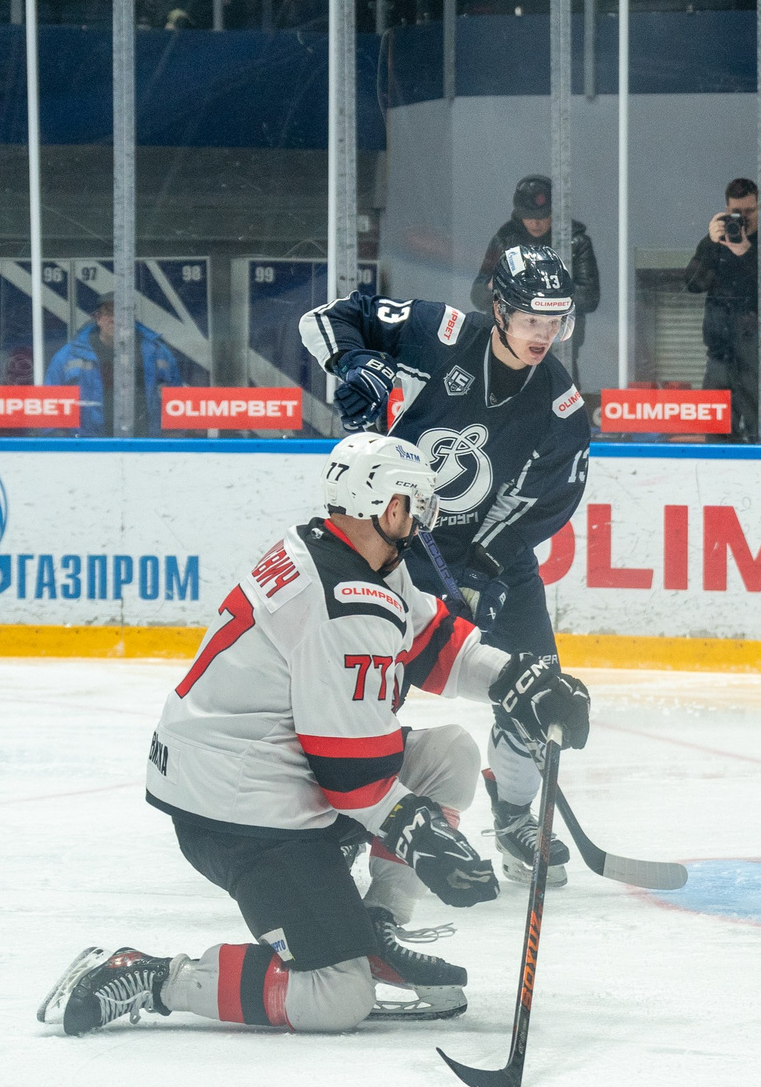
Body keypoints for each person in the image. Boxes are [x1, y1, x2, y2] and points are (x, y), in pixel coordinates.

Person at [37, 434, 592, 1036]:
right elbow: (350, 777)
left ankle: (374, 932)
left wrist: (512, 679)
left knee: (449, 754)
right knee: (335, 997)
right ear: (375, 502)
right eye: (412, 501)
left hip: (273, 774)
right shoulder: (342, 601)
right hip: (239, 815)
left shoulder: (353, 556)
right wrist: (418, 834)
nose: (423, 516)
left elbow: (430, 640)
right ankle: (153, 977)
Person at [298, 246, 593, 885]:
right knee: (372, 692)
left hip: (497, 560)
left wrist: (485, 566)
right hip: (398, 546)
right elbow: (325, 319)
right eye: (531, 321)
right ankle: (335, 824)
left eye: (556, 322)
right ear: (500, 310)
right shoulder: (444, 334)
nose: (544, 336)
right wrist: (353, 362)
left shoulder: (561, 405)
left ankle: (514, 819)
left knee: (534, 687)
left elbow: (552, 499)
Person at [683, 177, 761, 442]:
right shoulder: (718, 243)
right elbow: (693, 284)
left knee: (758, 433)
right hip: (720, 354)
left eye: (750, 211)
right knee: (715, 431)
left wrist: (748, 252)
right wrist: (709, 245)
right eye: (737, 213)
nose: (743, 219)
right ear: (727, 210)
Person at [470, 175, 602, 362]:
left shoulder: (575, 242)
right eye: (528, 217)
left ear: (553, 212)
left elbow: (590, 297)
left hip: (560, 345)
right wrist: (497, 286)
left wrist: (545, 296)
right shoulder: (505, 240)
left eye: (542, 216)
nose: (535, 223)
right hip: (510, 343)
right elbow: (478, 295)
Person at [48, 293, 185, 437]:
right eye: (108, 312)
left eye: (122, 312)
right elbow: (51, 406)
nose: (115, 318)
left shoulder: (157, 353)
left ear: (132, 318)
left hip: (145, 448)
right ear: (98, 318)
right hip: (88, 450)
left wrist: (171, 444)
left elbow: (176, 405)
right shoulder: (70, 354)